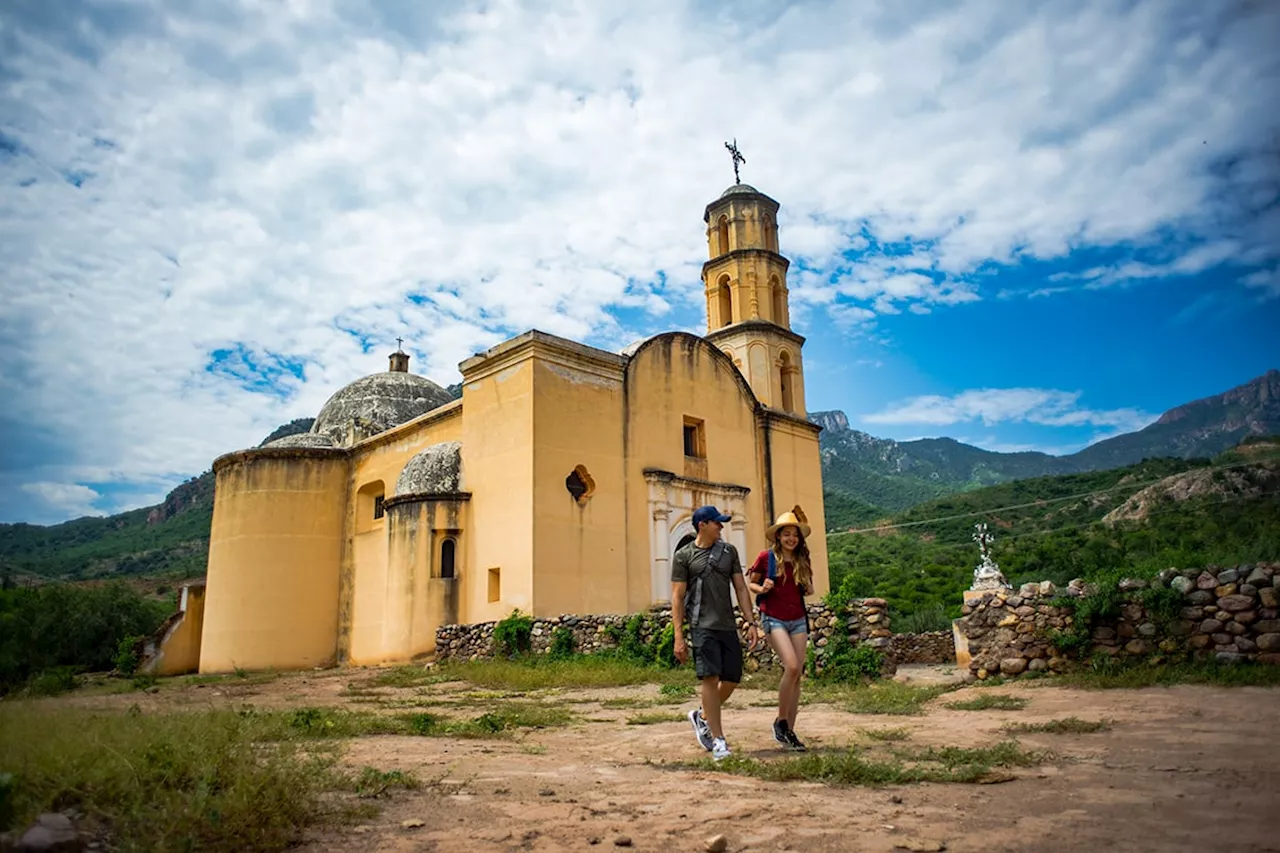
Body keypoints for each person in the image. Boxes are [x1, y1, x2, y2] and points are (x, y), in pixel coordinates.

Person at [671, 505, 760, 761]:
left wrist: (751, 622)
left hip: (727, 625)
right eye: (717, 523)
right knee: (710, 679)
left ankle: (703, 715)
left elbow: (741, 589)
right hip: (701, 626)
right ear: (703, 525)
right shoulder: (683, 557)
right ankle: (719, 740)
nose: (721, 526)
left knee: (731, 678)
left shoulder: (729, 551)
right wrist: (679, 636)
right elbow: (677, 597)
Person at [745, 506, 813, 751]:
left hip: (797, 619)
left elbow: (808, 588)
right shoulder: (766, 558)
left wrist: (806, 585)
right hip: (773, 618)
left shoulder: (801, 559)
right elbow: (750, 584)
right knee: (792, 666)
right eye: (786, 534)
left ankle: (790, 732)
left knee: (796, 676)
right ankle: (781, 722)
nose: (791, 538)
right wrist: (762, 589)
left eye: (795, 534)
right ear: (778, 536)